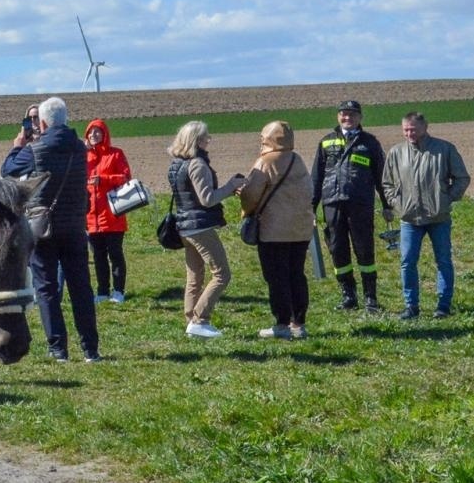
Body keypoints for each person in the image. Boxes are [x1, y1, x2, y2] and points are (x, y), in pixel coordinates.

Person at [3, 97, 101, 362]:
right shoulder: (80, 148)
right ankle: (90, 349)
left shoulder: (36, 149)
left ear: (42, 122)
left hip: (42, 228)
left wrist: (17, 147)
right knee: (81, 287)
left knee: (46, 288)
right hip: (75, 226)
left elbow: (8, 170)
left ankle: (58, 348)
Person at [382, 112, 470, 320]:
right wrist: (397, 204)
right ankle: (411, 306)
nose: (409, 133)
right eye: (406, 130)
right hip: (409, 219)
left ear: (424, 127)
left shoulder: (444, 149)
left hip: (438, 218)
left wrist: (446, 200)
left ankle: (443, 306)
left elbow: (462, 178)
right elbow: (387, 184)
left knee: (443, 261)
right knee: (407, 262)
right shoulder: (396, 153)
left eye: (413, 129)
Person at [311, 99, 391, 312]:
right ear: (338, 116)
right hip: (332, 203)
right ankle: (348, 296)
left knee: (364, 249)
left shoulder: (370, 143)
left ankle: (370, 297)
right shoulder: (326, 142)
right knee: (337, 250)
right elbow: (316, 178)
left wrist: (387, 205)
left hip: (360, 204)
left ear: (360, 118)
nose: (348, 118)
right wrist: (310, 208)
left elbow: (381, 177)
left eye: (352, 114)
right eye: (344, 114)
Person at [167, 121, 245, 337]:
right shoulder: (198, 164)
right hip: (199, 227)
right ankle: (200, 320)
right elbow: (207, 199)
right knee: (222, 274)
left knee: (194, 275)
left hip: (183, 226)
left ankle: (190, 320)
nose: (208, 140)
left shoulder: (176, 164)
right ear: (196, 140)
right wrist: (231, 186)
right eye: (205, 137)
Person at [238, 120, 314, 339]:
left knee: (277, 277)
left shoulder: (265, 161)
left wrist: (244, 204)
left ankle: (281, 323)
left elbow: (251, 195)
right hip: (300, 229)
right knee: (297, 275)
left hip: (273, 231)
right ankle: (299, 323)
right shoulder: (297, 160)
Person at [83, 118, 132, 303]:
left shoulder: (116, 154)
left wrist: (103, 179)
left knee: (115, 254)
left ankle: (118, 290)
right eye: (90, 132)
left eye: (98, 132)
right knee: (98, 256)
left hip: (112, 214)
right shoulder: (84, 157)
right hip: (91, 217)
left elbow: (125, 177)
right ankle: (102, 291)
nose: (94, 135)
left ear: (105, 134)